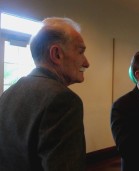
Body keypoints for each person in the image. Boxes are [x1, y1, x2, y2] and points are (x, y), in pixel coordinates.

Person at [0, 17, 90, 171]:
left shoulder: (8, 94)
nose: (86, 63)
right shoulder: (63, 100)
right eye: (80, 51)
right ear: (56, 54)